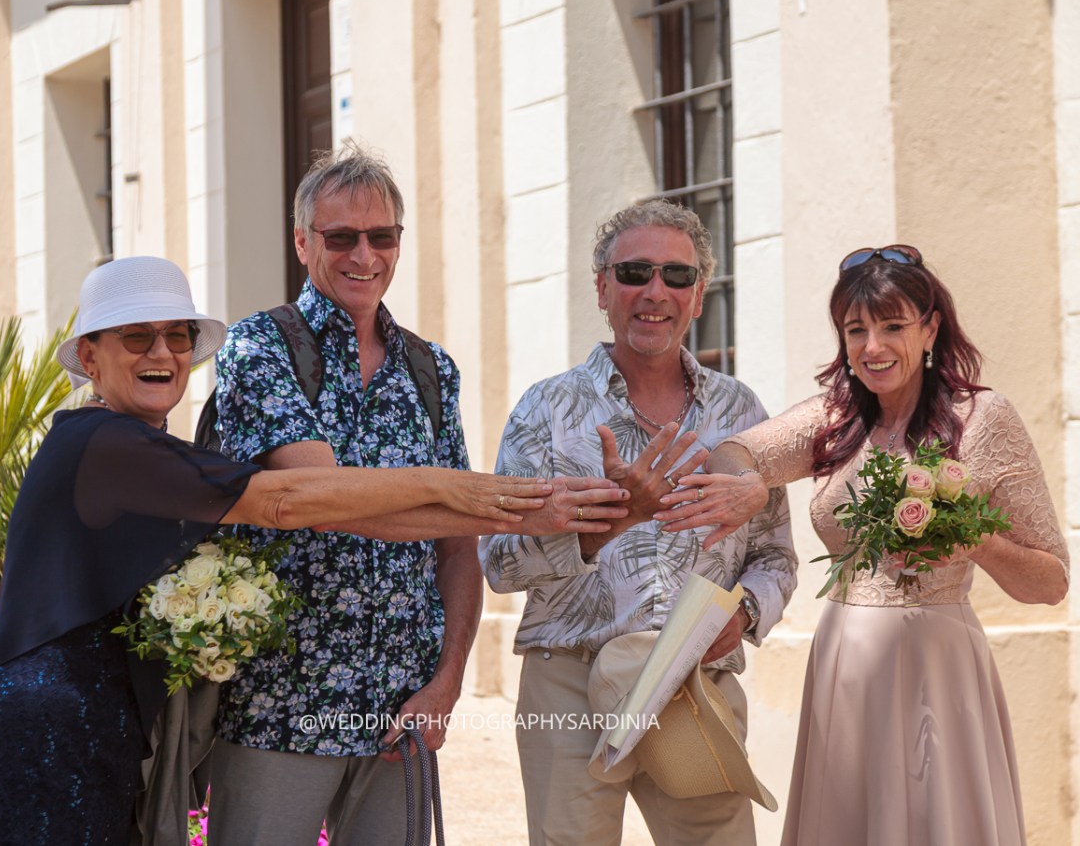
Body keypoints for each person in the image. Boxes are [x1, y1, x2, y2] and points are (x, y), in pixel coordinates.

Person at [0, 256, 591, 846]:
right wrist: (446, 481)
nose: (162, 352)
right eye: (137, 336)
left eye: (177, 336)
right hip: (49, 726)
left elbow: (353, 516)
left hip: (98, 722)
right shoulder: (106, 442)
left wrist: (520, 510)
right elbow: (286, 503)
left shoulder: (146, 450)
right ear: (90, 358)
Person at [208, 144, 624, 844]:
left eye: (382, 236)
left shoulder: (431, 369)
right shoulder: (259, 349)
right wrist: (505, 500)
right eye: (342, 237)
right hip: (280, 701)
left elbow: (456, 545)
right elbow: (327, 497)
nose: (363, 255)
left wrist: (448, 681)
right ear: (303, 241)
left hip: (402, 706)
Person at [660, 245, 1069, 845]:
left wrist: (974, 539)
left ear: (930, 329)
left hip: (940, 665)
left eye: (893, 326)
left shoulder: (984, 419)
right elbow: (739, 450)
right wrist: (747, 483)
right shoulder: (834, 418)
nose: (872, 347)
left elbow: (1052, 582)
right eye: (856, 330)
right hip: (846, 666)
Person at [478, 200, 798, 846]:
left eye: (677, 276)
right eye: (634, 272)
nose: (656, 292)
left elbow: (778, 559)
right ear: (602, 289)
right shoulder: (547, 409)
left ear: (700, 294)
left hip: (695, 690)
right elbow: (497, 563)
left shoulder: (742, 413)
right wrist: (606, 527)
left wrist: (742, 616)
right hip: (568, 683)